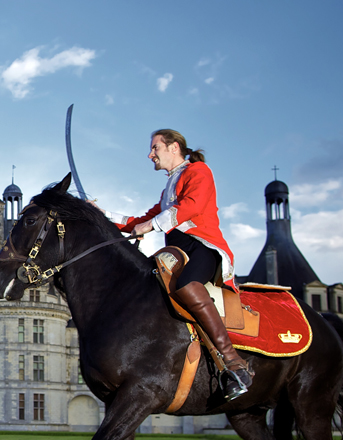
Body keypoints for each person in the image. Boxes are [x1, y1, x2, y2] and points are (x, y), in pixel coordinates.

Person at [96, 129, 253, 401]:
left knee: (187, 285)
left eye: (155, 148)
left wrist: (151, 225)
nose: (150, 154)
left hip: (202, 247)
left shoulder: (199, 171)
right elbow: (140, 221)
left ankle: (234, 361)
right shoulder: (169, 187)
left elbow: (191, 206)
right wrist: (101, 215)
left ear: (174, 147)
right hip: (179, 252)